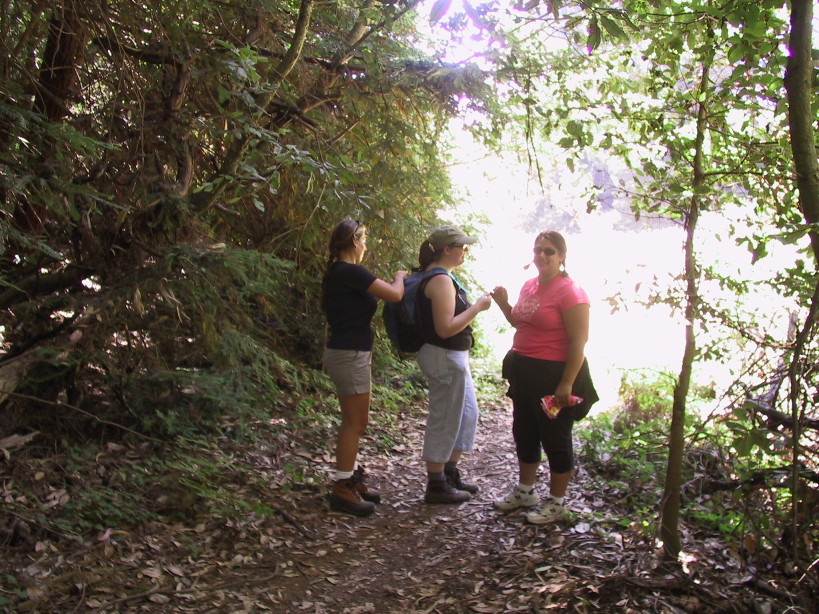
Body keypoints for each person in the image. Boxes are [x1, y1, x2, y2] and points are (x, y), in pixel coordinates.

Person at [491, 230, 598, 524]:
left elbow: (579, 341)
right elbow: (520, 321)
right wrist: (503, 303)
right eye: (538, 249)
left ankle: (557, 502)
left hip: (554, 374)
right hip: (524, 370)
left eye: (549, 251)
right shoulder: (530, 285)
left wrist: (566, 383)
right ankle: (526, 491)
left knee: (555, 437)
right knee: (524, 430)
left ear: (562, 256)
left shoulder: (571, 292)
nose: (542, 255)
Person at [321, 219, 407, 516]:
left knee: (357, 421)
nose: (366, 245)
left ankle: (350, 477)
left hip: (349, 352)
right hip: (349, 354)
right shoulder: (350, 271)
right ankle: (342, 488)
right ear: (355, 242)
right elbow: (395, 294)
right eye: (365, 240)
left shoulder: (339, 272)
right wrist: (399, 277)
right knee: (354, 423)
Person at [415, 225, 492, 504]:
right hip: (443, 356)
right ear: (447, 249)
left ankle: (449, 473)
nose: (465, 251)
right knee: (445, 417)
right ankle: (436, 484)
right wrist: (477, 308)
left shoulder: (443, 277)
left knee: (467, 414)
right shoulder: (439, 280)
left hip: (453, 356)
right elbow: (445, 328)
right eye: (462, 246)